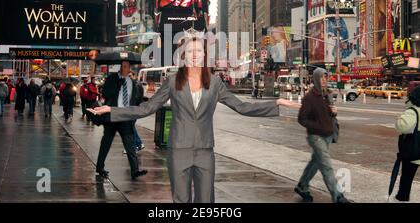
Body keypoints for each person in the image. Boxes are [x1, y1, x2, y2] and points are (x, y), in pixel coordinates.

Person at [89, 37, 298, 203]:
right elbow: (147, 108)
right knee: (181, 201)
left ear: (205, 54)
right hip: (178, 151)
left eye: (199, 51)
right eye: (189, 51)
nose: (194, 55)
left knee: (206, 201)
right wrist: (112, 110)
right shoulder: (172, 82)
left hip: (205, 152)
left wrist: (277, 103)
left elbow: (243, 107)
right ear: (183, 55)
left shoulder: (215, 83)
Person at [295, 68, 349, 203]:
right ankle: (338, 196)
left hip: (327, 135)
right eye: (321, 77)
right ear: (316, 79)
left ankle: (302, 186)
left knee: (315, 163)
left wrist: (334, 112)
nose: (324, 80)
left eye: (326, 77)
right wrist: (317, 126)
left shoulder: (327, 95)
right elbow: (302, 119)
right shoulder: (309, 98)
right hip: (316, 136)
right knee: (326, 166)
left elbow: (327, 115)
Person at [94, 61, 146, 180]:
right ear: (120, 67)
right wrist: (118, 84)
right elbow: (106, 93)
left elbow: (135, 99)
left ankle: (135, 171)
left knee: (130, 145)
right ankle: (100, 167)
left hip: (126, 118)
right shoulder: (112, 79)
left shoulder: (132, 82)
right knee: (106, 143)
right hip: (112, 116)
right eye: (124, 66)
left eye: (128, 66)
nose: (126, 68)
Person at [394, 86, 420, 202]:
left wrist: (399, 119)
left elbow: (404, 127)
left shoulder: (413, 111)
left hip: (414, 152)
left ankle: (402, 197)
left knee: (406, 178)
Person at [129, 71, 145, 152]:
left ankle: (136, 145)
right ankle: (138, 144)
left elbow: (136, 98)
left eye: (130, 75)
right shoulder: (133, 84)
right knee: (131, 126)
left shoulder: (136, 85)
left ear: (133, 75)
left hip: (134, 109)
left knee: (130, 127)